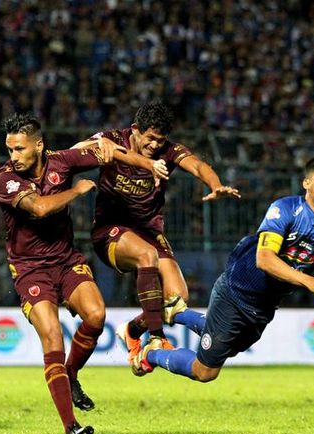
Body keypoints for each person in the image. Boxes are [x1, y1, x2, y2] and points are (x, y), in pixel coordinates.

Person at [133, 156, 314, 382]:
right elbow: (264, 259)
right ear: (307, 183)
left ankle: (178, 313)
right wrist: (308, 281)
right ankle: (150, 354)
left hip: (263, 307)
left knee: (229, 346)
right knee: (205, 372)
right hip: (235, 291)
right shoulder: (286, 209)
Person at [0, 113, 167, 434]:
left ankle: (71, 376)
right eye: (10, 149)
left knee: (96, 315)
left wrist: (144, 164)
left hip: (65, 261)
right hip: (30, 269)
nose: (12, 156)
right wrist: (76, 190)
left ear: (39, 146)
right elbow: (40, 208)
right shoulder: (6, 178)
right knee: (53, 337)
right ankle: (71, 426)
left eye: (19, 149)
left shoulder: (61, 161)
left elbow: (108, 152)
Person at [71, 100, 240, 373]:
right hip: (110, 231)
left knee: (177, 299)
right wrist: (95, 147)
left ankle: (132, 330)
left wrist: (216, 184)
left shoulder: (168, 151)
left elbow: (197, 165)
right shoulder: (113, 139)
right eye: (150, 139)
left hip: (149, 232)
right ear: (136, 129)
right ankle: (157, 338)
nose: (155, 146)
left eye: (160, 141)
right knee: (145, 255)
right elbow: (76, 151)